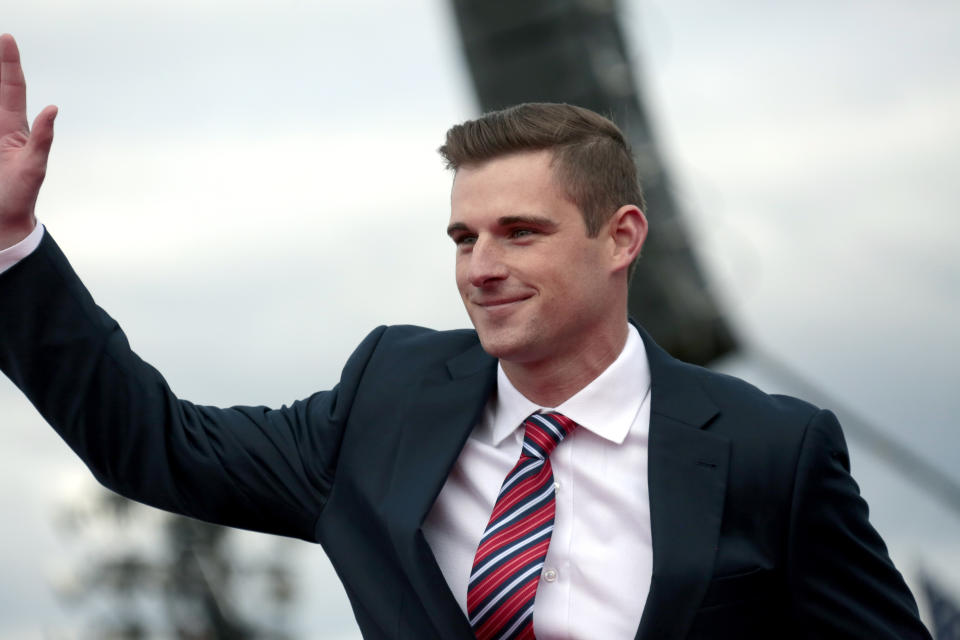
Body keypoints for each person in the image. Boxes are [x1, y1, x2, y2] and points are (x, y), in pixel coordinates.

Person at [0, 33, 932, 639]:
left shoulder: (773, 449)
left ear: (622, 238)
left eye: (520, 232)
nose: (479, 266)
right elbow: (152, 444)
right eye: (463, 236)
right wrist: (12, 246)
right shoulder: (385, 400)